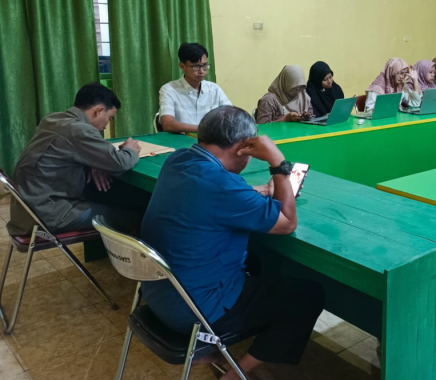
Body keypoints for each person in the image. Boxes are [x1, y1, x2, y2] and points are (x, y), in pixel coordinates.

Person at [140, 106, 324, 380]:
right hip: (194, 312)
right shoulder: (222, 185)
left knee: (255, 262)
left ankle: (215, 349)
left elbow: (213, 195)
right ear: (243, 148)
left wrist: (260, 191)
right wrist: (278, 163)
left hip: (158, 296)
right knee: (308, 294)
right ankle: (236, 373)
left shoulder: (179, 160)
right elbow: (287, 223)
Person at [7, 83, 143, 237]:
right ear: (98, 111)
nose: (106, 125)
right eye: (109, 118)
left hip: (27, 210)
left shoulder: (52, 119)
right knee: (133, 218)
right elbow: (121, 163)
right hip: (49, 214)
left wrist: (91, 163)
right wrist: (130, 149)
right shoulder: (79, 130)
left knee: (112, 197)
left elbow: (65, 152)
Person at [159, 43, 232, 133]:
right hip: (183, 139)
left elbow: (231, 116)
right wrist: (206, 129)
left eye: (205, 65)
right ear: (182, 66)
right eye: (196, 66)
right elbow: (167, 124)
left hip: (211, 139)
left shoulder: (214, 89)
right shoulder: (169, 90)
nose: (201, 71)